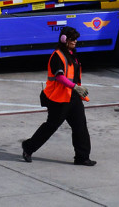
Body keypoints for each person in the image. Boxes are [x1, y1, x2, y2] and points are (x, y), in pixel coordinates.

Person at [21, 26, 95, 166]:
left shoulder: (72, 54)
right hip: (59, 99)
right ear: (64, 39)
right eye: (72, 39)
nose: (75, 41)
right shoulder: (57, 56)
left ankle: (82, 157)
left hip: (73, 97)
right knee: (51, 126)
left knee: (80, 126)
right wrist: (76, 87)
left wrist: (76, 90)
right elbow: (60, 77)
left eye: (76, 39)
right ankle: (28, 147)